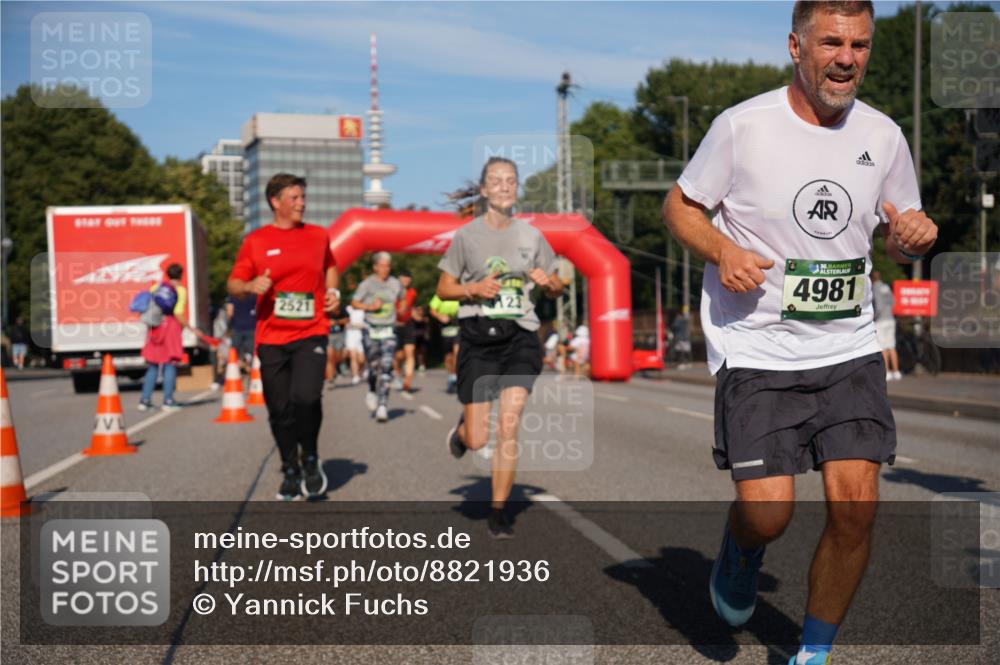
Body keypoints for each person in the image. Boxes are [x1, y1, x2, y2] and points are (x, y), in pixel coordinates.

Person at [661, 3, 938, 663]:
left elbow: (902, 231)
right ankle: (742, 546)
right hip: (757, 349)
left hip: (847, 348)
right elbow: (680, 206)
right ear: (796, 45)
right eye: (832, 41)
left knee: (856, 507)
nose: (847, 57)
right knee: (768, 513)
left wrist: (913, 238)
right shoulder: (743, 127)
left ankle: (812, 652)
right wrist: (722, 249)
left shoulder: (885, 135)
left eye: (861, 44)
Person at [437, 156, 563, 538]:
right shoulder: (467, 237)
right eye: (497, 181)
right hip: (478, 337)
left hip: (520, 336)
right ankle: (462, 434)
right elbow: (444, 289)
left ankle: (498, 511)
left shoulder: (531, 237)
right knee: (478, 438)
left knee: (508, 424)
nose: (505, 186)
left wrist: (549, 283)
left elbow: (557, 284)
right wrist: (473, 288)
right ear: (485, 189)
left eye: (511, 180)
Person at [227, 173, 340, 501]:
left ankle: (311, 457)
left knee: (306, 397)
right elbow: (234, 283)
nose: (302, 203)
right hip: (272, 336)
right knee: (280, 409)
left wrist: (333, 291)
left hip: (312, 331)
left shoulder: (319, 236)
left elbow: (330, 266)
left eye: (303, 197)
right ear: (275, 202)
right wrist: (249, 287)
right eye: (294, 198)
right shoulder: (256, 241)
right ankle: (289, 467)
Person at [351, 252, 404, 422]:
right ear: (375, 267)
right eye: (381, 266)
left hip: (389, 328)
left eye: (387, 266)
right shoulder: (367, 284)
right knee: (374, 366)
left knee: (387, 365)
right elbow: (354, 302)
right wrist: (370, 307)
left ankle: (383, 406)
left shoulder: (395, 283)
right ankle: (372, 390)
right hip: (371, 328)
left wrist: (402, 310)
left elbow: (403, 300)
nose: (385, 269)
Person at [138, 263, 191, 412]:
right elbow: (178, 313)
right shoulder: (180, 290)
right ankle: (168, 400)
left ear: (167, 274)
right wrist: (190, 327)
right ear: (181, 274)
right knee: (170, 364)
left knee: (153, 364)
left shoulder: (156, 287)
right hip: (171, 328)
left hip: (155, 328)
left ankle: (145, 400)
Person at [871, 270, 901, 381]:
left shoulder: (875, 288)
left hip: (881, 321)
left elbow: (878, 306)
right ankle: (896, 371)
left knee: (883, 347)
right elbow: (893, 302)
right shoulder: (886, 287)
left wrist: (874, 317)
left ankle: (887, 371)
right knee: (891, 346)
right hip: (890, 319)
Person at [392, 270, 418, 393]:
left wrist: (416, 315)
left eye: (408, 278)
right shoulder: (391, 292)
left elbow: (408, 308)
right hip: (395, 325)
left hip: (408, 325)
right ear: (399, 279)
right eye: (403, 278)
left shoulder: (412, 292)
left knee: (410, 352)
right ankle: (397, 373)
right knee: (398, 355)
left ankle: (408, 380)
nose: (406, 281)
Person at [429, 294, 460, 393]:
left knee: (457, 352)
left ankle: (456, 377)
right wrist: (440, 316)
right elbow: (432, 309)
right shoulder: (440, 294)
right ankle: (451, 377)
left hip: (458, 326)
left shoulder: (459, 291)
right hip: (445, 328)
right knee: (448, 356)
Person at [226, 292, 257, 372]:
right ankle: (251, 368)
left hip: (237, 327)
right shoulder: (254, 295)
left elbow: (230, 312)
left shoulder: (233, 295)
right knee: (252, 350)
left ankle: (237, 368)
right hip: (251, 326)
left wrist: (229, 325)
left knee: (235, 351)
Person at [326, 305, 349, 389]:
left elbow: (347, 320)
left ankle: (336, 369)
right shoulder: (323, 307)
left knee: (338, 358)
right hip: (328, 335)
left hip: (339, 335)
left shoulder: (341, 308)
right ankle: (330, 380)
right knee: (330, 358)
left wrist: (336, 322)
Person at [344, 302, 367, 385]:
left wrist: (362, 325)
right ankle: (355, 375)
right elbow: (345, 322)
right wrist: (352, 325)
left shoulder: (364, 309)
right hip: (351, 335)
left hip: (361, 335)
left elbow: (366, 323)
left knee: (361, 359)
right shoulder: (348, 309)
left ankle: (362, 370)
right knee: (353, 356)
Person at [412, 304, 429, 374]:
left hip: (422, 337)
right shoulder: (413, 317)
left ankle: (422, 364)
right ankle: (414, 364)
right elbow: (417, 319)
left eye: (421, 310)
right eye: (418, 310)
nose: (420, 311)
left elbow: (427, 327)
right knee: (413, 351)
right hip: (414, 336)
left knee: (422, 351)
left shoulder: (425, 319)